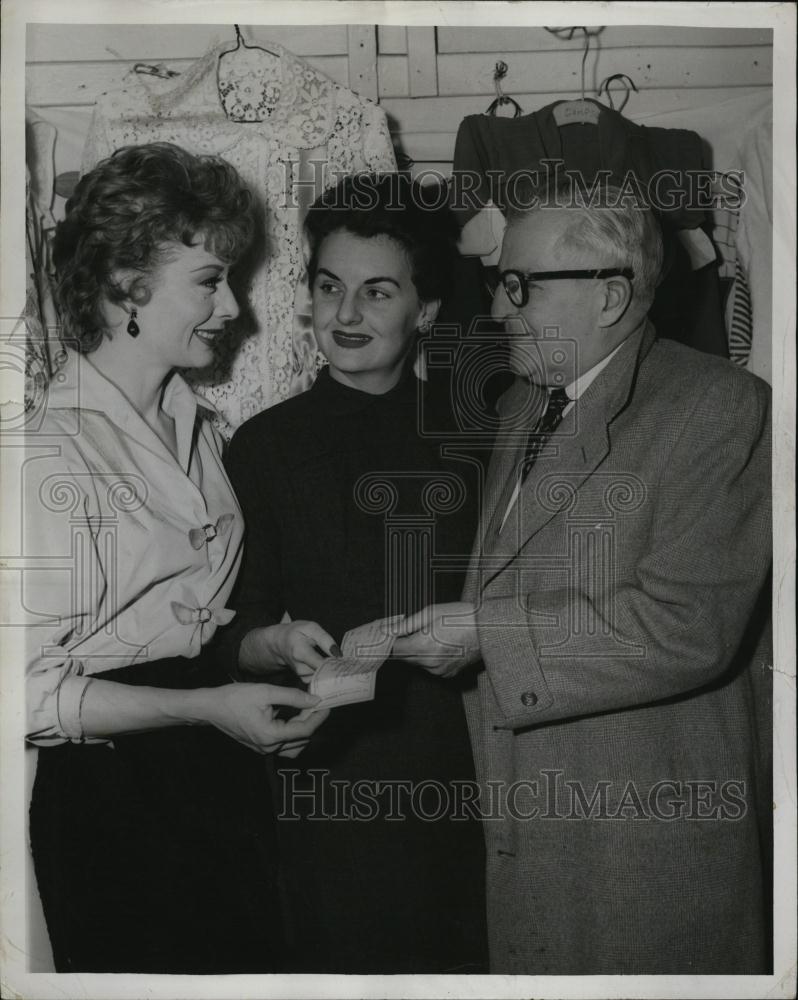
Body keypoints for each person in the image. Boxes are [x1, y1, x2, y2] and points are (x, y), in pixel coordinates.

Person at [394, 180, 773, 974]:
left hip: (640, 852)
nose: (498, 307)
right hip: (533, 828)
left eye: (519, 285)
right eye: (499, 281)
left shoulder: (720, 407)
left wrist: (486, 634)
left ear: (609, 295)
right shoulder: (522, 407)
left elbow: (688, 627)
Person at [24, 142, 335, 973]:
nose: (232, 305)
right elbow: (21, 694)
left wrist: (265, 647)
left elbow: (191, 629)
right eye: (209, 280)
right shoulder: (46, 452)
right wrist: (205, 708)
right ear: (127, 281)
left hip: (214, 779)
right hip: (113, 801)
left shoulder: (200, 429)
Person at [222, 173, 488, 974]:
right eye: (329, 286)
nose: (345, 314)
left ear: (426, 310)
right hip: (327, 779)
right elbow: (233, 634)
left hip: (470, 773)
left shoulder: (479, 442)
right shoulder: (262, 448)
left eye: (377, 292)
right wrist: (274, 645)